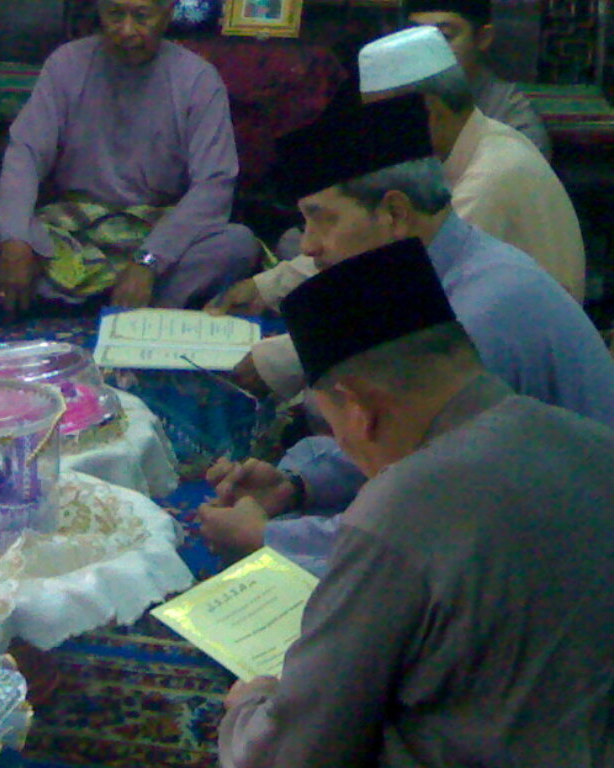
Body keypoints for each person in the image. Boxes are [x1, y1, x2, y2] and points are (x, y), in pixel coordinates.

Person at [217, 236, 614, 768]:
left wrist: (249, 708)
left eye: (335, 427)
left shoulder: (400, 508)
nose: (344, 447)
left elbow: (295, 752)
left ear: (357, 408)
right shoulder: (592, 442)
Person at [197, 94, 614, 574]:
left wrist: (267, 539)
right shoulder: (445, 274)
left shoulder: (474, 319)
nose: (308, 246)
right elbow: (402, 448)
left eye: (322, 219)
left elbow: (424, 525)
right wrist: (296, 485)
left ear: (395, 214)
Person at [0, 0, 261, 316]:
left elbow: (214, 185)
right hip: (72, 230)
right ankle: (135, 307)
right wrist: (16, 240)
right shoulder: (66, 64)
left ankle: (59, 301)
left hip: (156, 230)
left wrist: (150, 260)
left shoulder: (198, 79)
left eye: (141, 16)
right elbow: (25, 154)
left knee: (237, 244)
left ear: (167, 13)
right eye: (115, 14)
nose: (127, 30)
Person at [360, 25, 585, 300]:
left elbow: (409, 292)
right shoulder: (486, 141)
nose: (379, 138)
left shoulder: (488, 179)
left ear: (428, 111)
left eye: (383, 122)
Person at [406, 0, 551, 157]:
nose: (426, 49)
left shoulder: (514, 122)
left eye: (445, 36)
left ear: (483, 38)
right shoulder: (399, 101)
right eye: (416, 36)